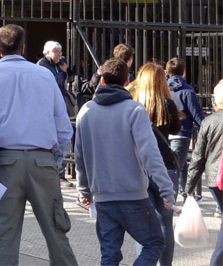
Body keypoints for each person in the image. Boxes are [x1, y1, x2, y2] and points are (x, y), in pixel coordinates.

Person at [0, 24, 77, 266]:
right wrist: (56, 161)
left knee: (1, 232)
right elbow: (63, 125)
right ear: (24, 47)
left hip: (4, 163)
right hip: (43, 160)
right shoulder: (45, 75)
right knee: (56, 231)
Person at [75, 58, 175, 265]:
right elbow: (150, 154)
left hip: (102, 195)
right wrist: (166, 188)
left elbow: (80, 155)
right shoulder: (134, 110)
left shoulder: (86, 111)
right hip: (133, 194)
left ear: (102, 80)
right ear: (126, 81)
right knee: (154, 243)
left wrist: (84, 189)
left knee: (110, 255)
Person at [126, 63, 182, 266]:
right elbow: (176, 128)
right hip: (165, 168)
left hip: (139, 168)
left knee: (143, 224)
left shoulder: (132, 104)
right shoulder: (167, 104)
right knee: (165, 222)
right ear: (160, 80)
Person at [185, 79, 223, 265]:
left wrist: (190, 187)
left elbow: (198, 156)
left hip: (215, 179)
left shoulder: (208, 122)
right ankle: (216, 261)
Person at [37, 40, 76, 187]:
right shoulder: (42, 66)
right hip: (48, 108)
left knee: (63, 137)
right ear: (47, 52)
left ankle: (59, 171)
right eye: (56, 52)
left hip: (59, 105)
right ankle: (55, 173)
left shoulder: (57, 66)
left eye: (60, 52)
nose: (59, 55)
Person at [166, 56, 205, 198]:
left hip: (164, 132)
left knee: (180, 166)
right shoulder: (187, 90)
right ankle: (176, 198)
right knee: (177, 167)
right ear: (184, 71)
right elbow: (196, 114)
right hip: (182, 133)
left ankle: (188, 193)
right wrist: (205, 128)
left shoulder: (164, 88)